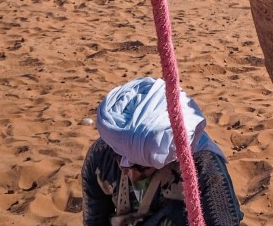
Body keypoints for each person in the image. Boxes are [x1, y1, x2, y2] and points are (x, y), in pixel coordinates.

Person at [81, 77, 242, 226]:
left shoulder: (203, 164)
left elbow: (225, 221)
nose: (133, 175)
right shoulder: (100, 157)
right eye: (123, 163)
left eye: (141, 166)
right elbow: (94, 220)